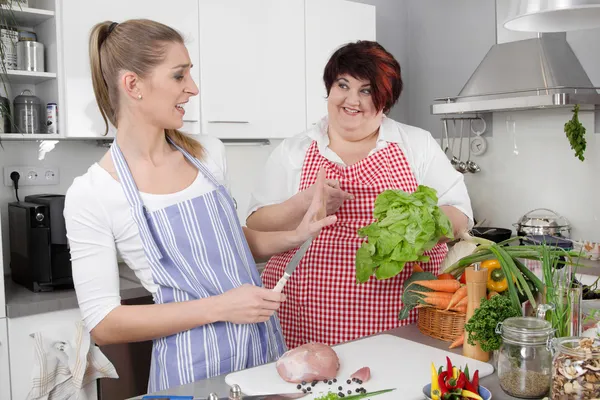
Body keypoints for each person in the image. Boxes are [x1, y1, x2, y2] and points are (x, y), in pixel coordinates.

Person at [63, 19, 335, 392]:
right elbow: (105, 323)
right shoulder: (93, 193)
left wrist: (295, 236)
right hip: (190, 369)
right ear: (133, 85)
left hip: (264, 351)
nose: (193, 88)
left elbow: (228, 242)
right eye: (179, 76)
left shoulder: (207, 154)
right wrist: (222, 307)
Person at [246, 41, 474, 349]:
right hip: (304, 317)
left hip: (397, 315)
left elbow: (460, 216)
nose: (352, 100)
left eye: (366, 90)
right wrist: (304, 203)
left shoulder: (416, 145)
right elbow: (257, 226)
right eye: (343, 85)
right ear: (330, 88)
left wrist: (417, 222)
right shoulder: (295, 150)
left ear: (385, 100)